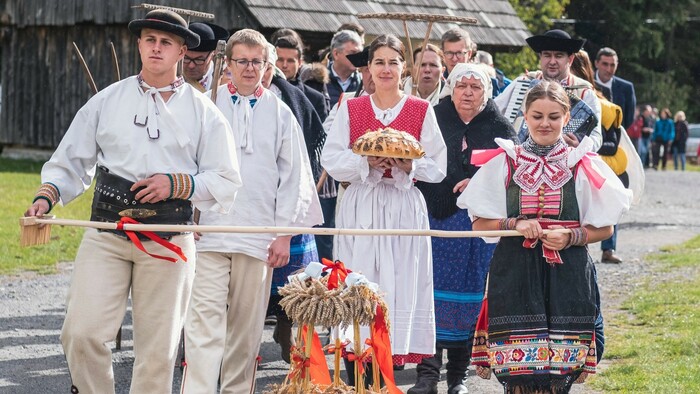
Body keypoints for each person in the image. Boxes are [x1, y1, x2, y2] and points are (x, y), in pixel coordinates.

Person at [23, 9, 242, 393]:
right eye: (150, 40)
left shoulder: (204, 112)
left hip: (168, 238)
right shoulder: (107, 101)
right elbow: (70, 161)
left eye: (167, 42)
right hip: (107, 230)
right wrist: (47, 196)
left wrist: (177, 184)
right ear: (139, 44)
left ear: (180, 51)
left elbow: (226, 179)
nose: (157, 48)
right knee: (81, 333)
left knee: (158, 353)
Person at [459, 80, 631, 393]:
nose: (545, 123)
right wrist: (514, 224)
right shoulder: (505, 162)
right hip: (515, 273)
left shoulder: (582, 164)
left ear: (566, 117)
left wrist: (572, 235)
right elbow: (479, 224)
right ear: (525, 116)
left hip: (568, 273)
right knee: (519, 375)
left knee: (560, 372)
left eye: (553, 116)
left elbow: (606, 228)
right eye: (537, 116)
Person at [181, 29, 323, 393]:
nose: (248, 68)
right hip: (208, 233)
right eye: (241, 61)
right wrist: (187, 216)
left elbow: (296, 178)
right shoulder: (206, 107)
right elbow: (184, 164)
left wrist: (285, 234)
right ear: (227, 65)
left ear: (267, 66)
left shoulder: (280, 114)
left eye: (256, 62)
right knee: (202, 327)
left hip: (257, 236)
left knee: (245, 333)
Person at [321, 34, 447, 377]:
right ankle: (356, 369)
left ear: (404, 67)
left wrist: (410, 165)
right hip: (362, 202)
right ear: (369, 69)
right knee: (359, 281)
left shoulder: (420, 110)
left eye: (393, 62)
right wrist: (366, 162)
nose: (386, 69)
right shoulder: (352, 107)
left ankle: (388, 365)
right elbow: (332, 159)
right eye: (379, 62)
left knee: (400, 283)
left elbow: (438, 166)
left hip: (404, 205)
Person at [410, 63, 518, 394]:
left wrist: (479, 181)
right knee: (429, 295)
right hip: (437, 218)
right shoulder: (434, 116)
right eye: (462, 86)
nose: (468, 92)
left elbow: (513, 168)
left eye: (475, 87)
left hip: (476, 226)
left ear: (487, 94)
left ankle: (458, 377)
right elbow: (418, 158)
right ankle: (427, 375)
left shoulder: (497, 125)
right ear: (451, 88)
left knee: (470, 298)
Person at [261, 43, 324, 363]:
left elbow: (312, 147)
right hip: (252, 203)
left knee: (294, 282)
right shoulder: (223, 98)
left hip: (289, 196)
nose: (262, 70)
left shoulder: (298, 98)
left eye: (267, 64)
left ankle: (288, 334)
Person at [495, 29, 603, 152]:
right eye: (547, 55)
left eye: (558, 56)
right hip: (521, 160)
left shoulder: (585, 92)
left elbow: (596, 137)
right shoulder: (523, 83)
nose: (552, 61)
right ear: (541, 57)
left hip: (565, 164)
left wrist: (580, 147)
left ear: (570, 59)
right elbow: (494, 112)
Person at [274, 34, 329, 120]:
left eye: (290, 61)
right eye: (280, 60)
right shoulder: (261, 91)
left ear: (300, 63)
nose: (284, 65)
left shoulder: (315, 99)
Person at [595, 47, 637, 129]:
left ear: (617, 65)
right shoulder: (585, 83)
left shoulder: (626, 88)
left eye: (612, 65)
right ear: (596, 64)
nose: (608, 69)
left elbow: (629, 119)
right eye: (605, 64)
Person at [184, 22, 230, 92]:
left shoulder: (225, 80)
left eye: (199, 60)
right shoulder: (171, 74)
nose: (191, 65)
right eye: (186, 58)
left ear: (212, 54)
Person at [326, 29, 363, 107]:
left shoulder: (364, 83)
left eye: (360, 53)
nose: (358, 57)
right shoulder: (318, 82)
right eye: (353, 53)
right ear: (336, 54)